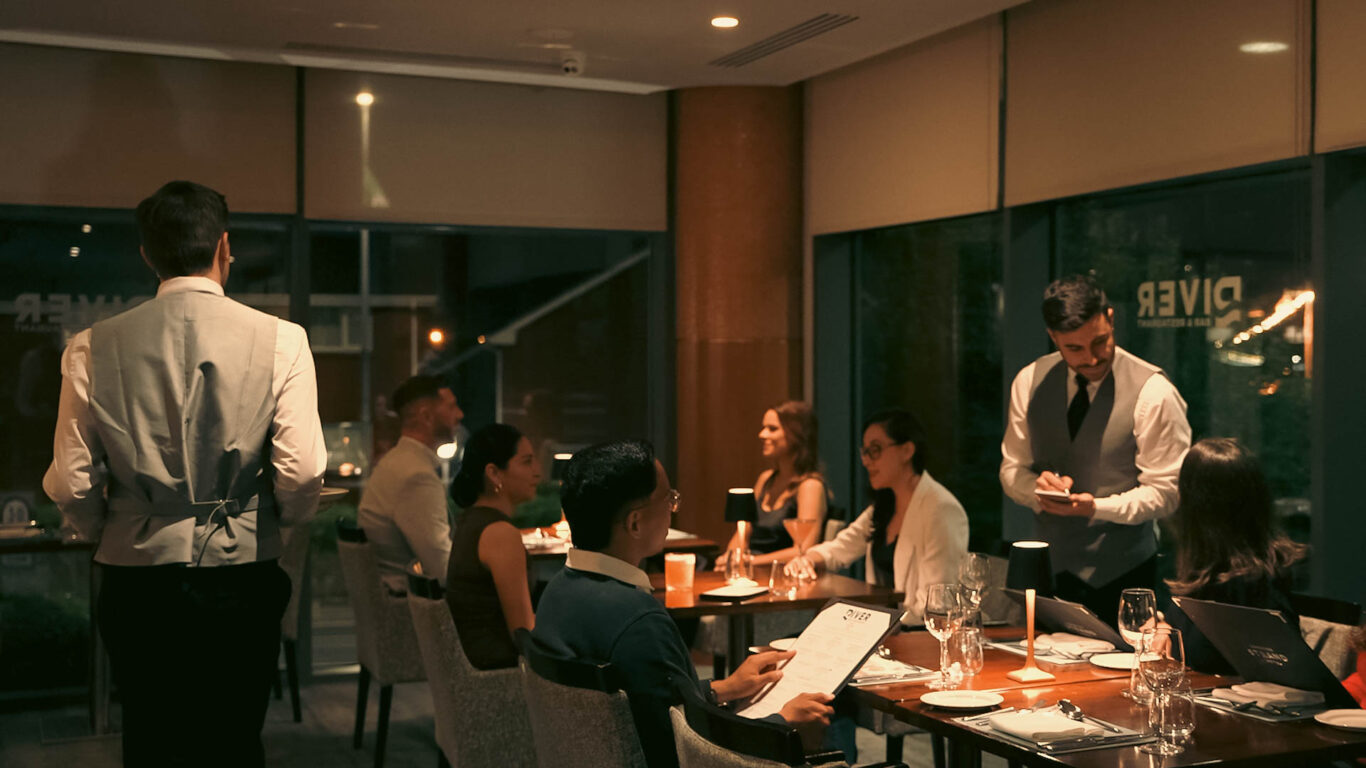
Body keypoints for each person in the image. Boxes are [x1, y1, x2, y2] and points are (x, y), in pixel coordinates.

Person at [43, 180, 326, 767]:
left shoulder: (92, 346)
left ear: (147, 254)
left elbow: (72, 481)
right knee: (234, 740)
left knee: (151, 739)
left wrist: (111, 527)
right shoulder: (283, 341)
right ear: (224, 246)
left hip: (137, 576)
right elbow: (301, 475)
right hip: (241, 573)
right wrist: (282, 524)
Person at [533, 440, 834, 768]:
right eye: (669, 499)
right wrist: (782, 722)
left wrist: (723, 688)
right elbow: (686, 749)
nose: (673, 508)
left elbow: (654, 703)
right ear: (634, 523)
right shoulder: (639, 621)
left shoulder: (557, 592)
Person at [999, 274, 1192, 619]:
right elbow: (1012, 469)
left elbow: (1168, 492)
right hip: (1049, 573)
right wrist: (1037, 490)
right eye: (1074, 348)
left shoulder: (1155, 393)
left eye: (1101, 341)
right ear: (1053, 337)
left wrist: (1095, 508)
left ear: (1111, 319)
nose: (1091, 358)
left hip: (1126, 578)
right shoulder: (1029, 381)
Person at [787, 409, 968, 624]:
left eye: (875, 450)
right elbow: (841, 547)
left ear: (907, 450)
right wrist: (807, 559)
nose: (866, 461)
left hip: (924, 634)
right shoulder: (884, 505)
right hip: (889, 628)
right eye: (865, 452)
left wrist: (876, 625)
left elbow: (937, 604)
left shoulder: (940, 508)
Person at [1162, 438, 1305, 675]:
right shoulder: (1210, 567)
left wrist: (1169, 632)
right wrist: (1163, 624)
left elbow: (1202, 655)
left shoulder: (1251, 583)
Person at [445, 423, 540, 669]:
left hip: (477, 663)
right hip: (500, 671)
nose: (538, 472)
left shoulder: (472, 519)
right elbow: (522, 633)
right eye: (527, 462)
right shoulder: (500, 533)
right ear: (494, 473)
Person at [358, 375, 463, 594]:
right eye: (451, 407)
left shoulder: (394, 463)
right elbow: (442, 569)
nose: (459, 415)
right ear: (426, 416)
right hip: (415, 611)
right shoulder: (416, 477)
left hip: (397, 603)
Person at [716, 401, 828, 570]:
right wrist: (731, 558)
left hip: (783, 576)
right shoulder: (765, 479)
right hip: (750, 572)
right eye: (764, 427)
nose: (762, 434)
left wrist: (749, 561)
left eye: (772, 429)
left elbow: (803, 550)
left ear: (797, 435)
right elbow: (742, 533)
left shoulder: (810, 486)